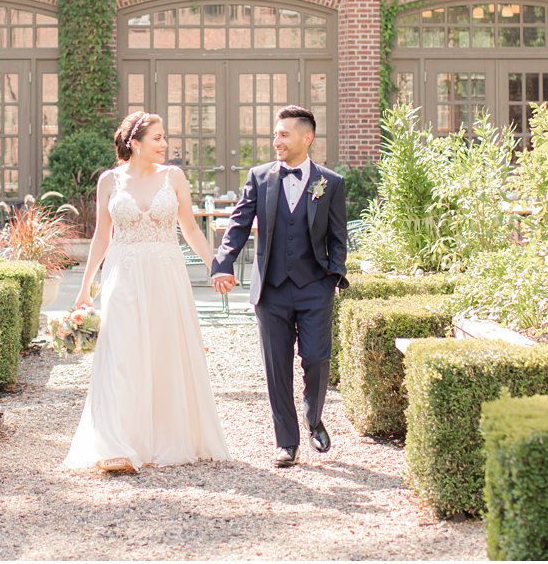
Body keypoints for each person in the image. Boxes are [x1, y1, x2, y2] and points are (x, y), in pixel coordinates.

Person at [62, 111, 230, 474]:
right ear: (134, 143)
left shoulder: (174, 177)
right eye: (157, 138)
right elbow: (101, 237)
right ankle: (116, 444)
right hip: (122, 275)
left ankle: (165, 438)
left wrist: (217, 265)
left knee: (163, 352)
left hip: (165, 276)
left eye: (164, 137)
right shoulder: (109, 181)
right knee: (121, 353)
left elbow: (190, 228)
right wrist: (85, 287)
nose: (164, 144)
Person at [211, 105, 348, 468]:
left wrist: (334, 274)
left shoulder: (330, 183)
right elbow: (238, 225)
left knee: (317, 360)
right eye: (275, 134)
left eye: (284, 134)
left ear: (307, 138)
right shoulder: (259, 178)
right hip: (271, 289)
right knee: (277, 367)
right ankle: (286, 442)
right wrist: (222, 263)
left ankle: (314, 417)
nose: (277, 141)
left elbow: (338, 237)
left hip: (315, 287)